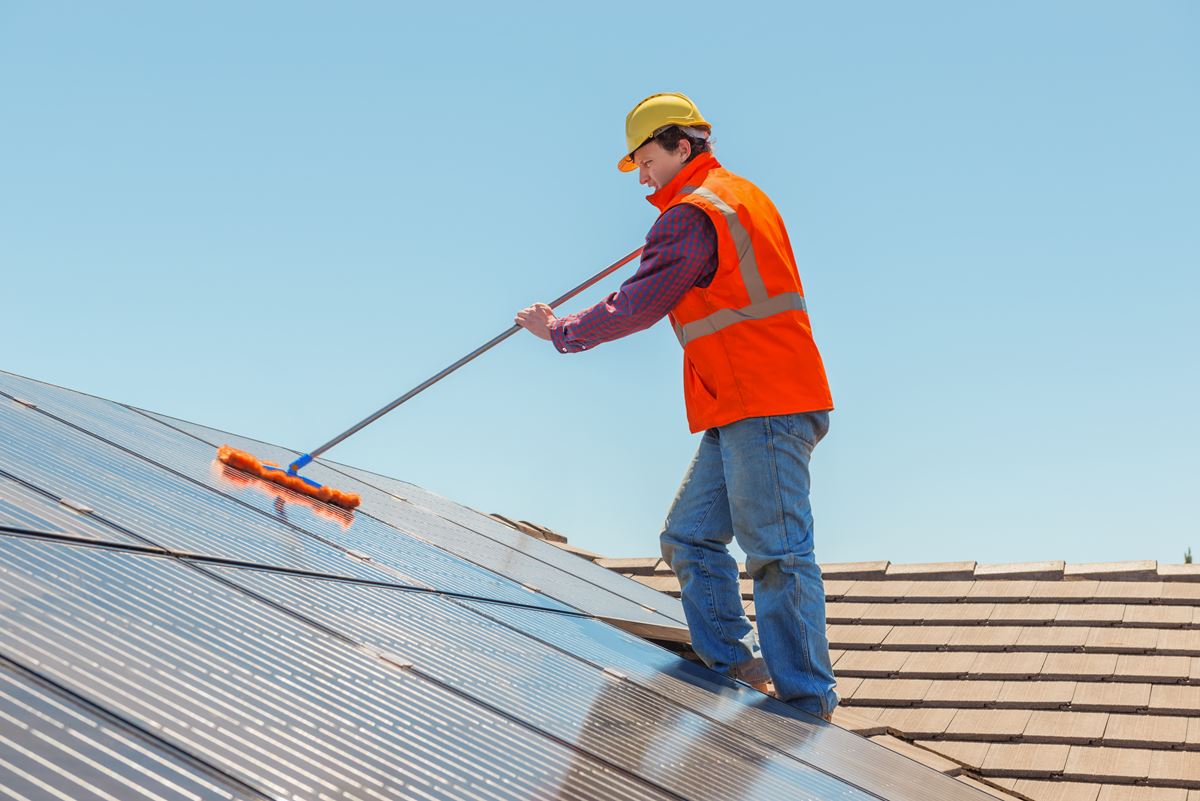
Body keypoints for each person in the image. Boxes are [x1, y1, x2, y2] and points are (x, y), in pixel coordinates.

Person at [514, 92, 837, 721]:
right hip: (745, 402)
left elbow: (637, 304)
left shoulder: (694, 215)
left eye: (645, 160)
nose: (641, 176)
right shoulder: (738, 197)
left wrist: (560, 330)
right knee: (688, 536)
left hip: (763, 402)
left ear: (680, 146)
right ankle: (738, 664)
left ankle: (807, 703)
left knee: (777, 552)